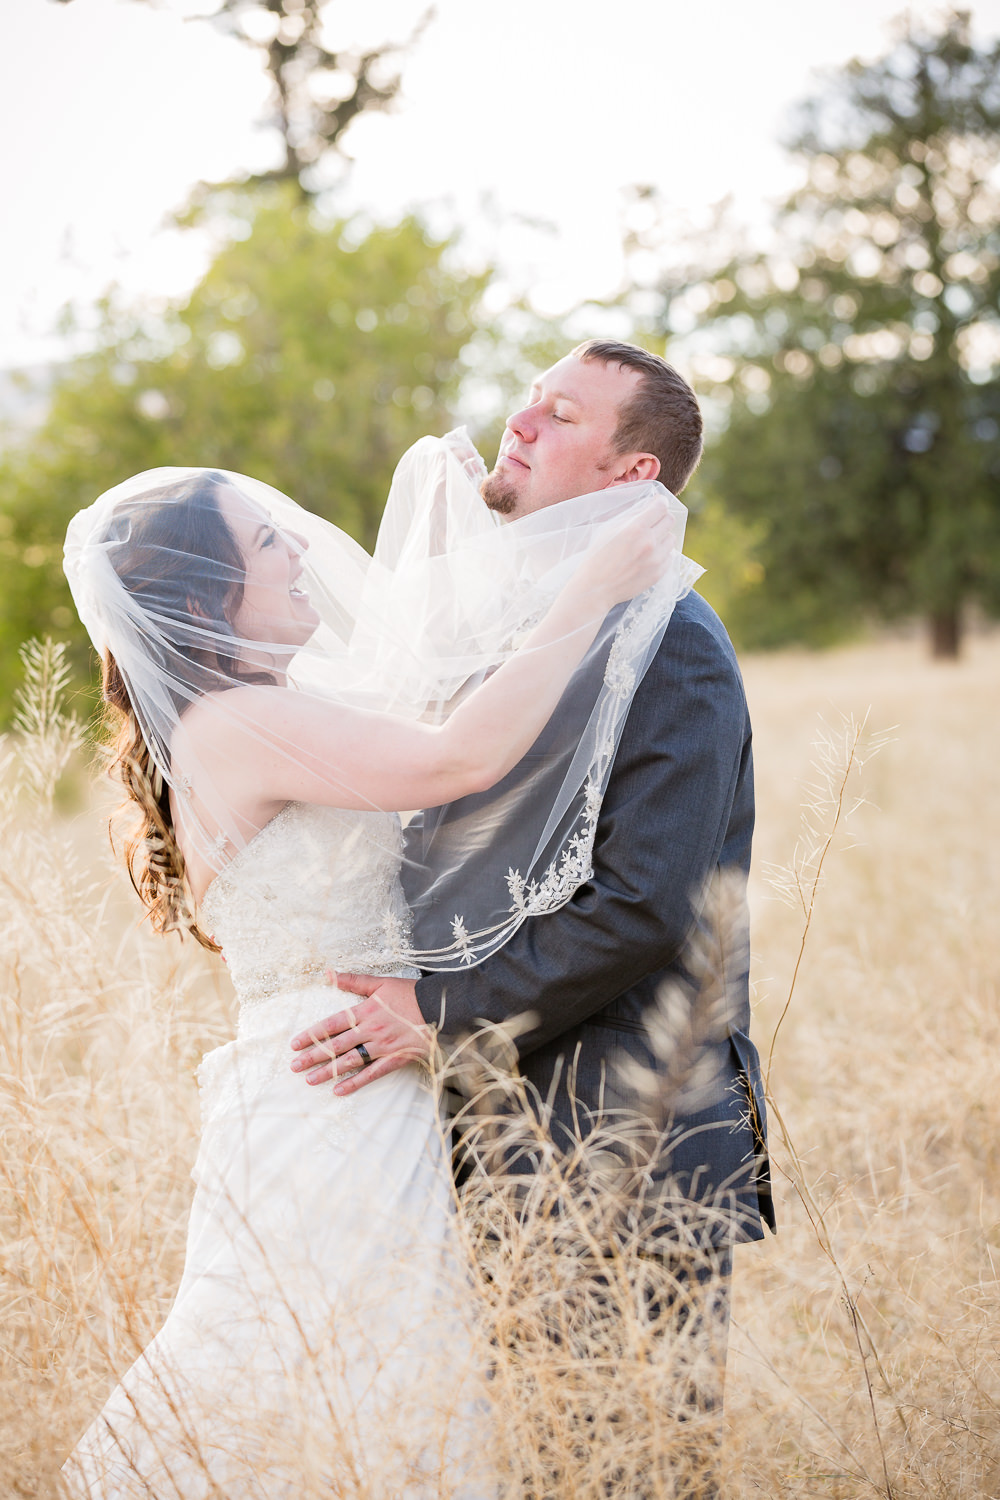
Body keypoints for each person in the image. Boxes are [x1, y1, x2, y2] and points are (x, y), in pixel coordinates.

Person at [59, 450, 688, 1499]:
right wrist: (593, 585)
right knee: (325, 1380)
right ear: (209, 593)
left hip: (343, 1082)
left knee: (364, 1381)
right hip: (331, 1093)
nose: (301, 546)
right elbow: (454, 760)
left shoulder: (267, 711)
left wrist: (456, 545)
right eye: (269, 544)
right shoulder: (243, 723)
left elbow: (416, 700)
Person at [291, 341, 776, 1490]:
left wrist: (434, 1011)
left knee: (626, 1471)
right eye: (528, 396)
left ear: (631, 474)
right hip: (487, 1144)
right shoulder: (525, 630)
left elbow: (643, 908)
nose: (519, 421)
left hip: (618, 1140)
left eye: (561, 415)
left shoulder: (676, 646)